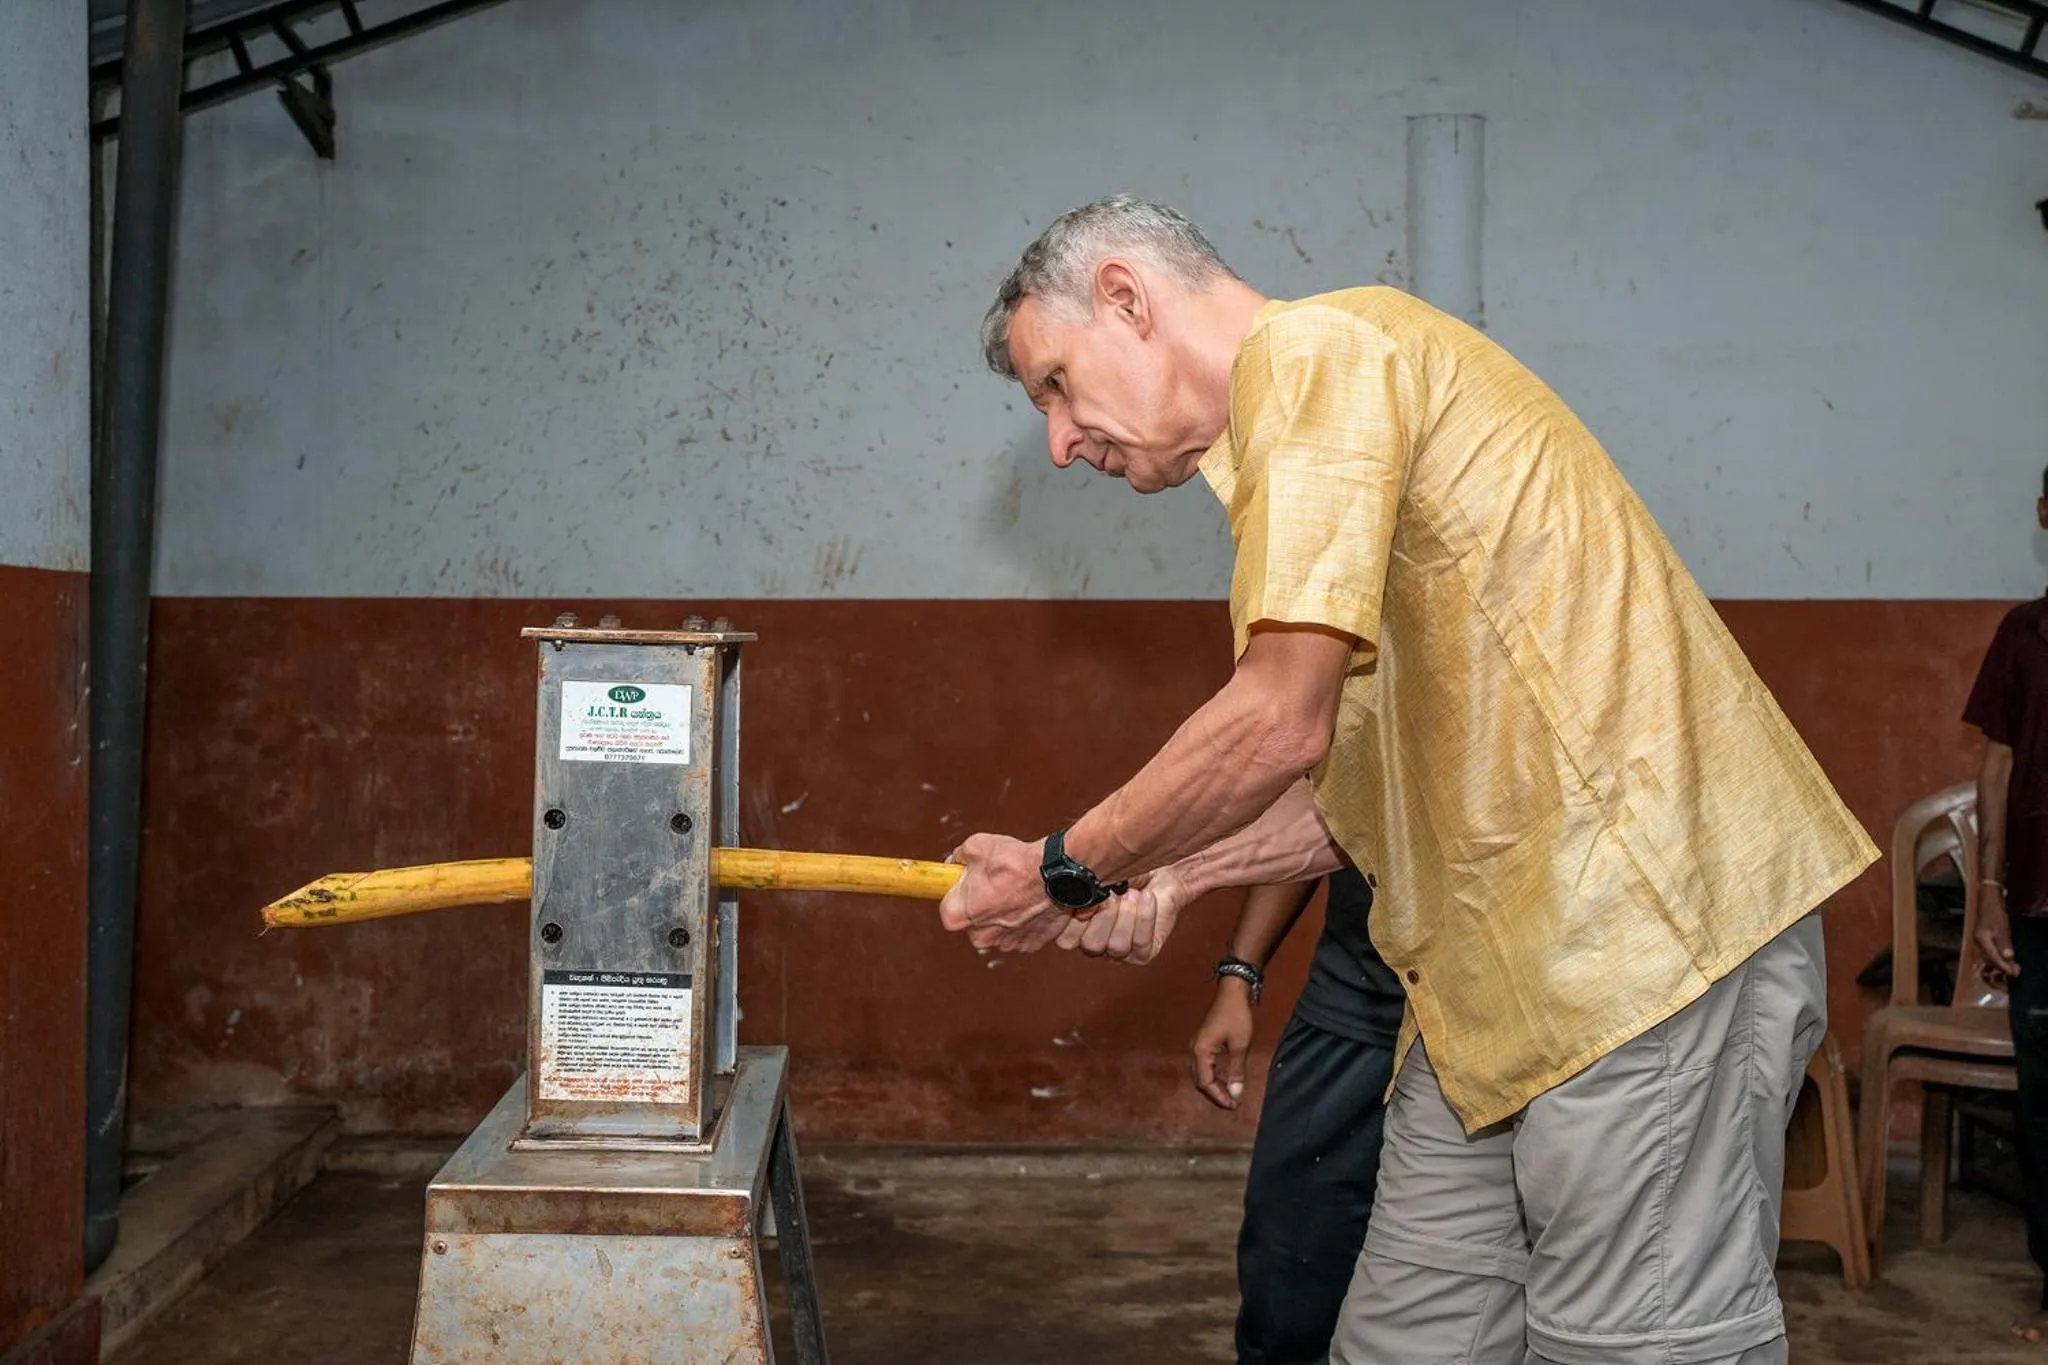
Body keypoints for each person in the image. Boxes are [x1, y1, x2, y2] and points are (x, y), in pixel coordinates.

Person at [937, 195, 1878, 1363]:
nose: (1060, 442)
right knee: (1405, 1339)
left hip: (1646, 941)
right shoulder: (1302, 437)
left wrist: (1070, 869)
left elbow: (1274, 719)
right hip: (1487, 979)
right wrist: (1163, 880)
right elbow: (1340, 795)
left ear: (1126, 299)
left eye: (1056, 385)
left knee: (1636, 1344)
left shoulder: (1320, 356)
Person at [1184, 867, 1403, 1365]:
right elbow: (1306, 803)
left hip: (1517, 1024)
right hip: (1357, 1001)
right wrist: (1240, 971)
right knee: (1289, 1288)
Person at [1966, 466, 2048, 1344]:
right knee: (2042, 1104)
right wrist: (1988, 890)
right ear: (2043, 513)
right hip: (2035, 904)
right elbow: (1996, 763)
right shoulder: (2022, 636)